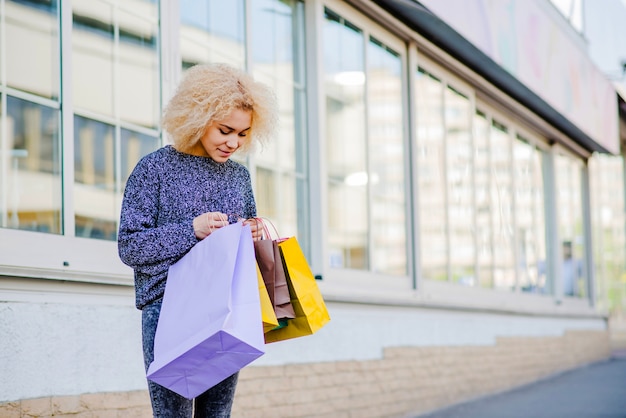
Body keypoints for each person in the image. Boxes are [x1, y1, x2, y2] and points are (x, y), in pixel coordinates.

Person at [117, 63, 278, 417]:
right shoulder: (154, 169)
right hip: (168, 310)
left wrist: (250, 235)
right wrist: (192, 230)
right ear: (197, 116)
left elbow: (239, 256)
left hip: (227, 309)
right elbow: (130, 246)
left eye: (243, 133)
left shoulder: (239, 177)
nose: (233, 143)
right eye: (225, 130)